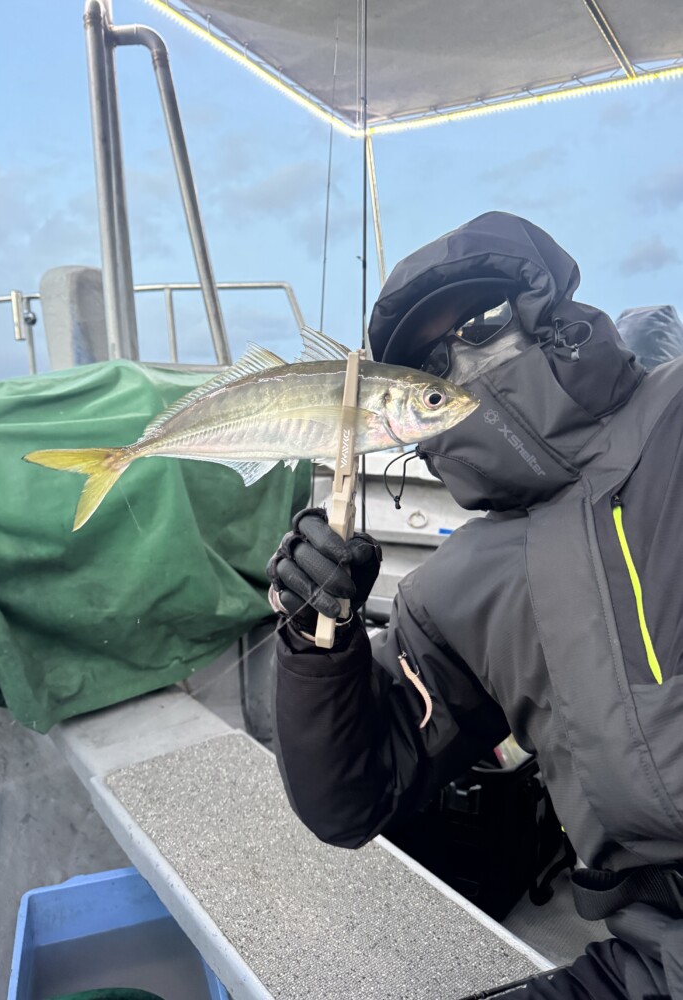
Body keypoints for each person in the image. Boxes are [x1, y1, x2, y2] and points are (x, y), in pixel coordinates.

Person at [267, 212, 683, 1000]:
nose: (463, 361)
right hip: (653, 957)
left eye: (484, 320)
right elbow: (351, 798)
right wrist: (319, 639)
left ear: (544, 308)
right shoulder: (453, 587)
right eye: (430, 360)